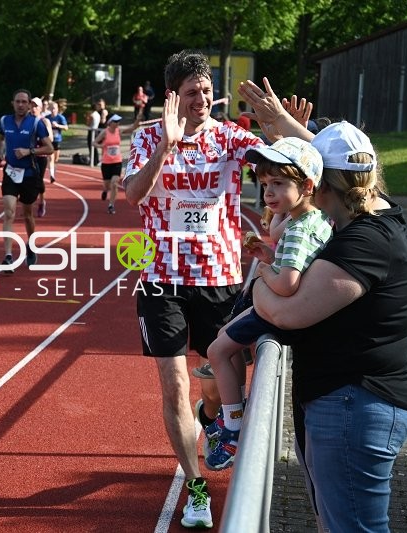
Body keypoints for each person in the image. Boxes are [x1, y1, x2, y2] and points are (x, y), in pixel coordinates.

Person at [242, 78, 407, 532]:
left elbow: (284, 312)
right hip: (353, 401)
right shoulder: (378, 212)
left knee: (352, 528)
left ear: (323, 184)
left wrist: (260, 273)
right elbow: (338, 163)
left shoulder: (362, 243)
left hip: (354, 405)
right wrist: (284, 127)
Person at [123, 50, 264, 529]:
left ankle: (215, 418)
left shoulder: (228, 138)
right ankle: (195, 485)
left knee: (224, 373)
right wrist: (166, 145)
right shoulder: (145, 138)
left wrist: (281, 122)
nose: (202, 98)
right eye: (191, 93)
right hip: (161, 279)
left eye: (206, 90)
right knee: (174, 381)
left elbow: (289, 162)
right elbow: (134, 195)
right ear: (172, 98)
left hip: (219, 279)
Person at [204, 137, 332, 471]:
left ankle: (232, 427)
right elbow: (290, 260)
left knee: (217, 351)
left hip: (280, 310)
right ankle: (234, 408)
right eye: (264, 185)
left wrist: (263, 269)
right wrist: (271, 255)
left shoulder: (299, 229)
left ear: (306, 185)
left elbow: (288, 283)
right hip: (287, 306)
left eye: (277, 184)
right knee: (223, 337)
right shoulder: (311, 218)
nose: (268, 194)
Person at [0, 89, 53, 273]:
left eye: (24, 102)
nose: (20, 105)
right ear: (12, 103)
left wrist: (29, 151)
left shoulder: (36, 123)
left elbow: (49, 148)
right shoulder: (5, 121)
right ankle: (8, 256)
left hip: (29, 174)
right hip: (11, 173)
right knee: (9, 212)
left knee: (27, 215)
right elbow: (0, 137)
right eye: (17, 101)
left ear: (29, 105)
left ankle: (31, 244)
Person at [94, 113, 140, 214]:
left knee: (114, 183)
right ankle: (105, 190)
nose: (118, 123)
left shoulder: (119, 131)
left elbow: (133, 127)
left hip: (117, 162)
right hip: (106, 162)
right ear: (110, 122)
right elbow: (94, 142)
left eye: (118, 121)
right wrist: (101, 146)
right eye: (115, 121)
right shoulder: (104, 133)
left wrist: (138, 119)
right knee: (107, 185)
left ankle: (111, 205)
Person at [29, 97, 53, 218]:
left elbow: (51, 140)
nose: (33, 109)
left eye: (36, 106)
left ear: (40, 108)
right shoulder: (26, 121)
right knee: (27, 179)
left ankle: (41, 202)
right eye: (31, 106)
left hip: (41, 155)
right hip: (28, 154)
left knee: (38, 180)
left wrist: (41, 136)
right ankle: (27, 203)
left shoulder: (45, 121)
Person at [47, 100, 68, 184]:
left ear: (57, 109)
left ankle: (53, 172)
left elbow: (66, 128)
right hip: (49, 140)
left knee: (56, 159)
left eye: (54, 108)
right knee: (50, 158)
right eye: (51, 108)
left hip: (57, 139)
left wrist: (58, 125)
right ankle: (51, 175)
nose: (53, 110)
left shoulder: (60, 117)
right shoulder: (47, 118)